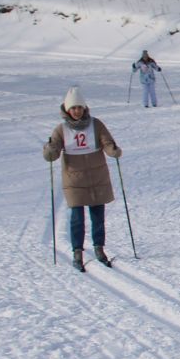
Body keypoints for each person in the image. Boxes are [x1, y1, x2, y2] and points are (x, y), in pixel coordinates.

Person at [42, 87, 122, 272]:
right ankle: (77, 250)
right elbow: (52, 151)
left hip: (97, 176)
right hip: (74, 179)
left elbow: (107, 142)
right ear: (67, 110)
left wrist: (113, 151)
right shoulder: (61, 129)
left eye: (79, 107)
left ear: (84, 108)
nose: (77, 111)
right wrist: (50, 151)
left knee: (98, 216)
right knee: (77, 218)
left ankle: (99, 248)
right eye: (73, 108)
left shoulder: (96, 124)